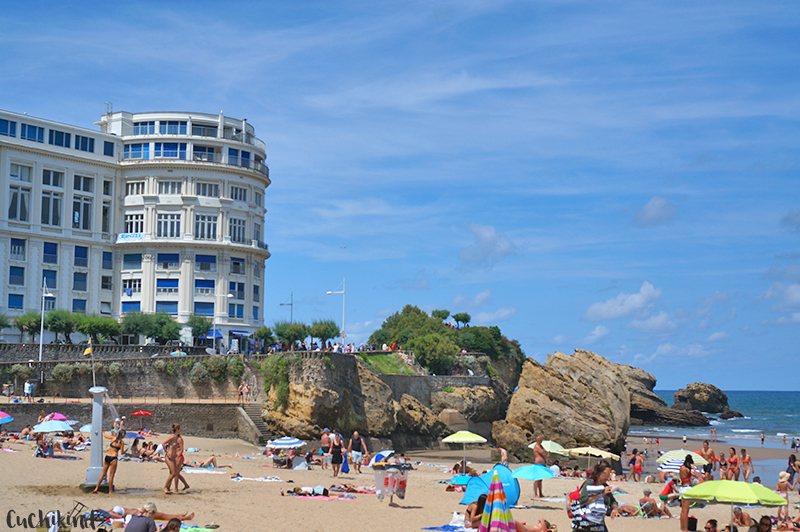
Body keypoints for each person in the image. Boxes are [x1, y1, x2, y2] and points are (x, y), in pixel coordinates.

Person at [571, 459, 620, 532]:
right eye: (606, 474)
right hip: (584, 523)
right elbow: (583, 501)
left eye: (609, 474)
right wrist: (601, 494)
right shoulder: (590, 483)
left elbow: (613, 501)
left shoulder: (605, 486)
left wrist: (615, 509)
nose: (608, 477)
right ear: (598, 473)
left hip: (598, 523)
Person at [163, 424, 189, 494]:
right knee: (174, 473)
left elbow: (181, 449)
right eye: (180, 429)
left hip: (175, 457)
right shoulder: (173, 437)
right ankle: (166, 487)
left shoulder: (178, 438)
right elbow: (163, 444)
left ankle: (168, 487)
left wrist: (177, 457)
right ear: (177, 429)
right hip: (170, 457)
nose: (181, 430)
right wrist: (167, 452)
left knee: (173, 473)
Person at [680, 455, 699, 532]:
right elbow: (696, 475)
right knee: (686, 511)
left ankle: (682, 527)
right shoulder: (687, 470)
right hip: (687, 489)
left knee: (682, 511)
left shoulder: (681, 468)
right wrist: (693, 467)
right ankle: (685, 529)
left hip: (682, 488)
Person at [109, 505, 194, 522]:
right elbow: (121, 517)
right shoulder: (110, 513)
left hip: (140, 511)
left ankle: (180, 515)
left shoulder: (108, 512)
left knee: (163, 515)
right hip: (140, 513)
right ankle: (183, 517)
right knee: (163, 516)